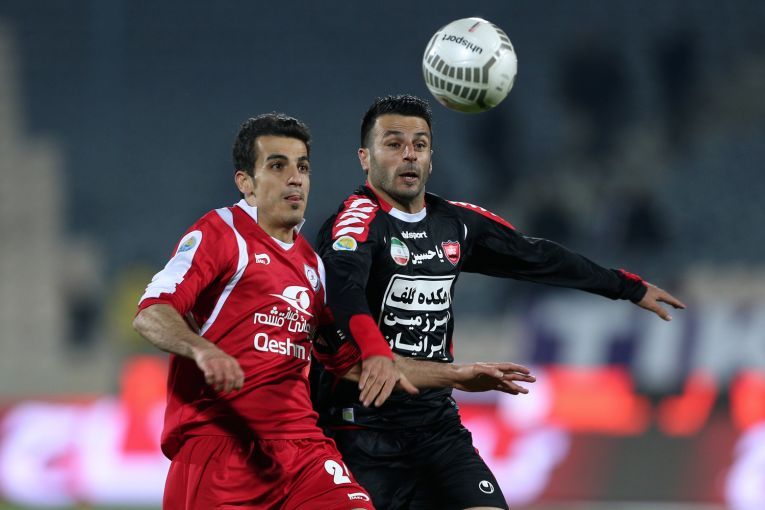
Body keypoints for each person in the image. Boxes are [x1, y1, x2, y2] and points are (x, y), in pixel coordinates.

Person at [132, 112, 536, 510]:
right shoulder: (221, 234)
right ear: (246, 183)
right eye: (278, 166)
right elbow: (152, 311)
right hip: (223, 446)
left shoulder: (312, 266)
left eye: (302, 167)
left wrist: (457, 376)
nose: (295, 178)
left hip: (303, 450)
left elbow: (359, 367)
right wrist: (201, 349)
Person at [311, 95, 686, 510]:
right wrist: (376, 350)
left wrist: (626, 286)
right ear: (365, 158)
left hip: (437, 428)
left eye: (420, 144)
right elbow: (342, 289)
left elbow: (536, 256)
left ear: (431, 157)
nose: (409, 155)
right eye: (394, 144)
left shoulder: (454, 223)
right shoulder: (356, 223)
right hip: (361, 431)